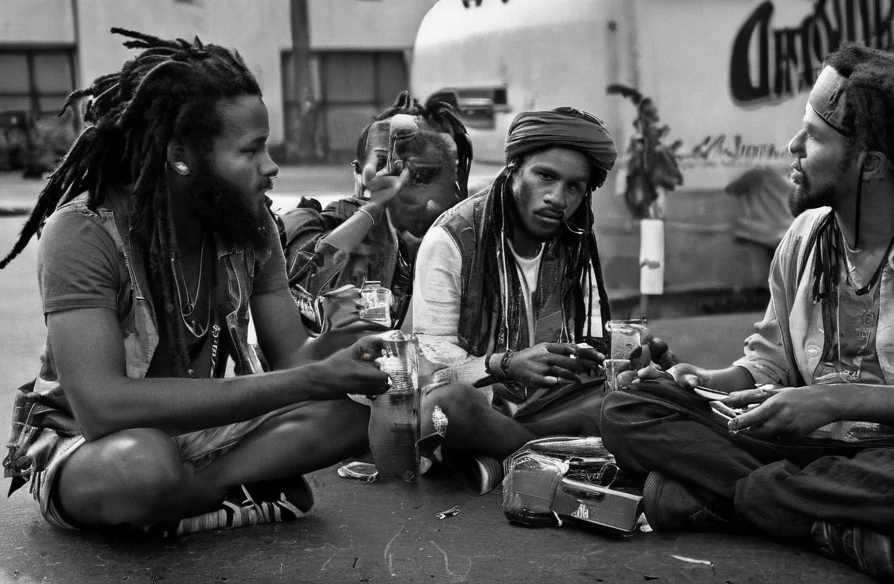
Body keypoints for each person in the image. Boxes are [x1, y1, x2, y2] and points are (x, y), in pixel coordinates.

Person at [601, 43, 894, 580]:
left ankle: (725, 504)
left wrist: (829, 400)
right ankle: (824, 526)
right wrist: (705, 380)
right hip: (801, 456)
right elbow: (768, 367)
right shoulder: (802, 239)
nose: (793, 146)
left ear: (871, 163)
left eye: (815, 136)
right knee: (628, 405)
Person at [1, 29, 393, 538]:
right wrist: (311, 379)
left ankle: (193, 497)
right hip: (89, 444)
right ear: (182, 155)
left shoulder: (251, 226)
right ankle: (222, 496)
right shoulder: (82, 231)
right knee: (142, 467)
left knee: (353, 416)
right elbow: (101, 409)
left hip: (203, 429)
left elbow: (294, 363)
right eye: (251, 151)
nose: (271, 166)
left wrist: (338, 349)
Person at [412, 107, 616, 493]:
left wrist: (608, 360)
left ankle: (511, 455)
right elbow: (429, 363)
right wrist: (505, 365)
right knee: (446, 408)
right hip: (479, 406)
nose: (558, 198)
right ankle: (558, 457)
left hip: (548, 404)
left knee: (635, 387)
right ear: (514, 168)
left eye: (574, 187)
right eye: (546, 176)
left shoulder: (575, 241)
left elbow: (587, 341)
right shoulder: (452, 238)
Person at [278, 91, 472, 332]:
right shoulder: (308, 224)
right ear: (359, 174)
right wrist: (378, 213)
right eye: (382, 164)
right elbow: (316, 298)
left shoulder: (453, 240)